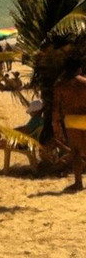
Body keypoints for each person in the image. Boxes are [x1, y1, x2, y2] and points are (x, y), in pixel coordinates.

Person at [53, 63, 86, 192]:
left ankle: (78, 183)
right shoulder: (84, 82)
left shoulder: (61, 85)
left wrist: (55, 124)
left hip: (71, 119)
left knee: (76, 152)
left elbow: (56, 108)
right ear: (79, 69)